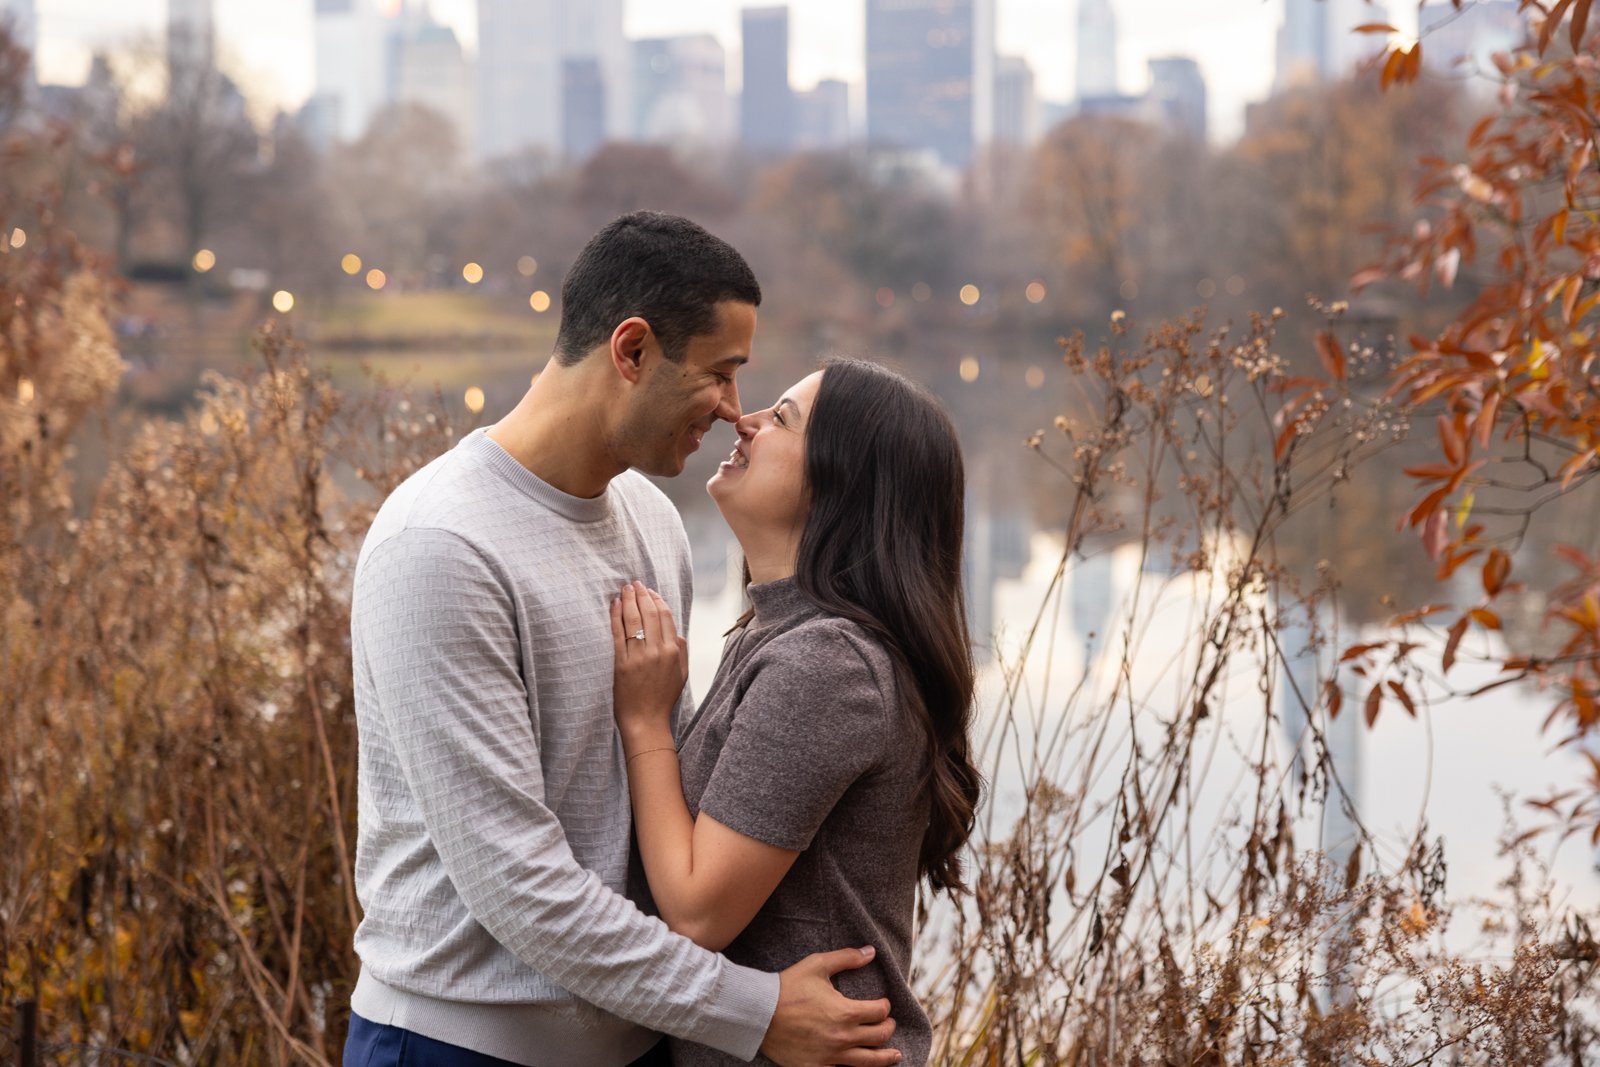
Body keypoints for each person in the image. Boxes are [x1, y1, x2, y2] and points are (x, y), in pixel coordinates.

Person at [346, 213, 905, 1067]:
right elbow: (519, 886)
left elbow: (669, 797)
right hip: (462, 1047)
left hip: (639, 1040)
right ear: (632, 350)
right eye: (720, 375)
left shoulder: (651, 520)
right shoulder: (440, 544)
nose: (730, 412)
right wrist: (752, 1010)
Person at [610, 358, 983, 1065]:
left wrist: (644, 722)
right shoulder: (780, 630)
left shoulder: (828, 663)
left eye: (781, 418)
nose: (742, 419)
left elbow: (695, 912)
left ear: (843, 482)